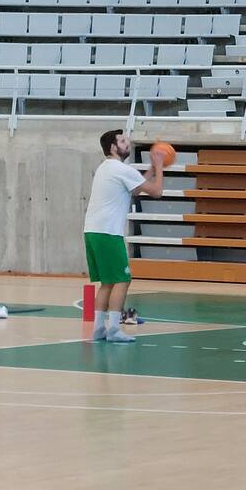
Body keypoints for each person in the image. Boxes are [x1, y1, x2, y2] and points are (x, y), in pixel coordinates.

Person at [83, 130, 165, 343]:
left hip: (92, 231)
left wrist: (151, 170)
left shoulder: (106, 167)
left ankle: (99, 329)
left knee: (108, 282)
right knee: (122, 279)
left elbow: (136, 189)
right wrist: (159, 167)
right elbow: (156, 191)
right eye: (122, 141)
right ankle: (113, 330)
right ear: (112, 147)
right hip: (108, 232)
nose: (127, 143)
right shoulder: (121, 168)